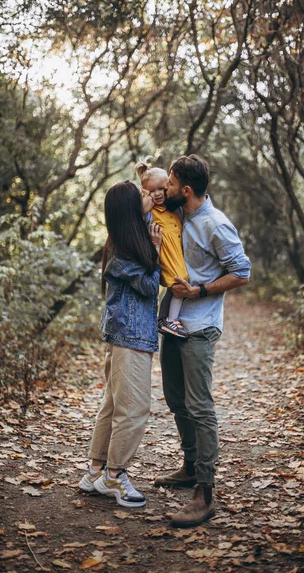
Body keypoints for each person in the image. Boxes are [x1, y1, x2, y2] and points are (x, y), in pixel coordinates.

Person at [154, 155, 251, 527]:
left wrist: (200, 290)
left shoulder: (216, 224)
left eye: (172, 184)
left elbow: (242, 272)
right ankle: (191, 467)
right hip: (173, 325)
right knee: (177, 400)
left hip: (200, 326)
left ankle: (205, 493)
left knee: (199, 405)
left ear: (187, 190)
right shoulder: (180, 216)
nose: (167, 190)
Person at [79, 180, 163, 508]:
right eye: (143, 194)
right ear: (130, 209)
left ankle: (95, 471)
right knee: (134, 408)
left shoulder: (124, 238)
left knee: (113, 404)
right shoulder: (126, 250)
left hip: (124, 335)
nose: (150, 196)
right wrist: (155, 253)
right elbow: (147, 287)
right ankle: (115, 476)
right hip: (130, 337)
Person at [136, 160, 189, 339]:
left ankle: (164, 319)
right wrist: (146, 198)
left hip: (176, 252)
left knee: (176, 285)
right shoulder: (151, 210)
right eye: (152, 191)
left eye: (161, 188)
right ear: (145, 192)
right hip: (166, 254)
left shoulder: (172, 206)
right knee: (180, 282)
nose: (157, 194)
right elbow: (138, 213)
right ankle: (171, 320)